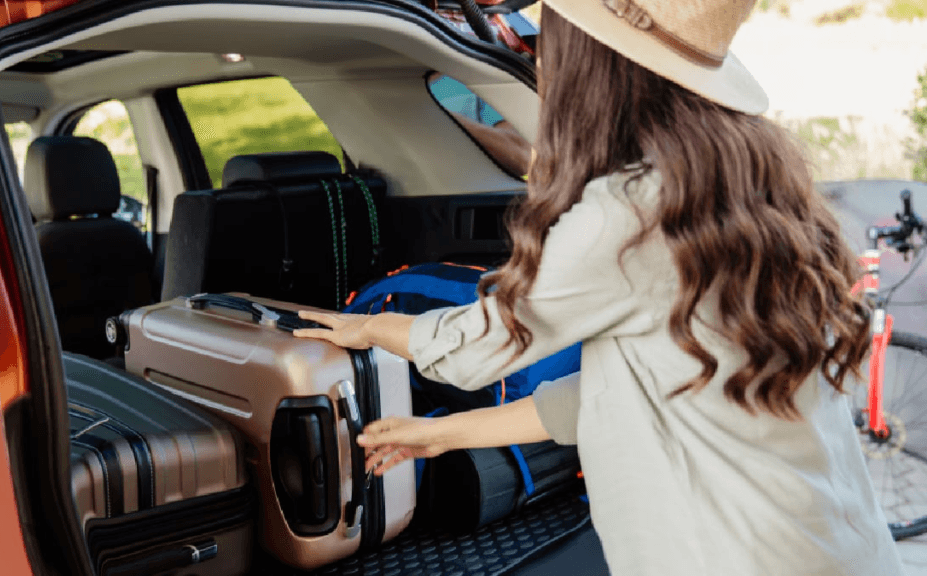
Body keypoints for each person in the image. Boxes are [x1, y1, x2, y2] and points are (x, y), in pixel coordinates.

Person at [295, 0, 906, 574]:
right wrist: (441, 435)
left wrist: (368, 326)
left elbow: (476, 347)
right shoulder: (752, 182)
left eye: (547, 43)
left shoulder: (629, 212)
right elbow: (622, 392)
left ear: (590, 63)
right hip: (843, 543)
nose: (541, 58)